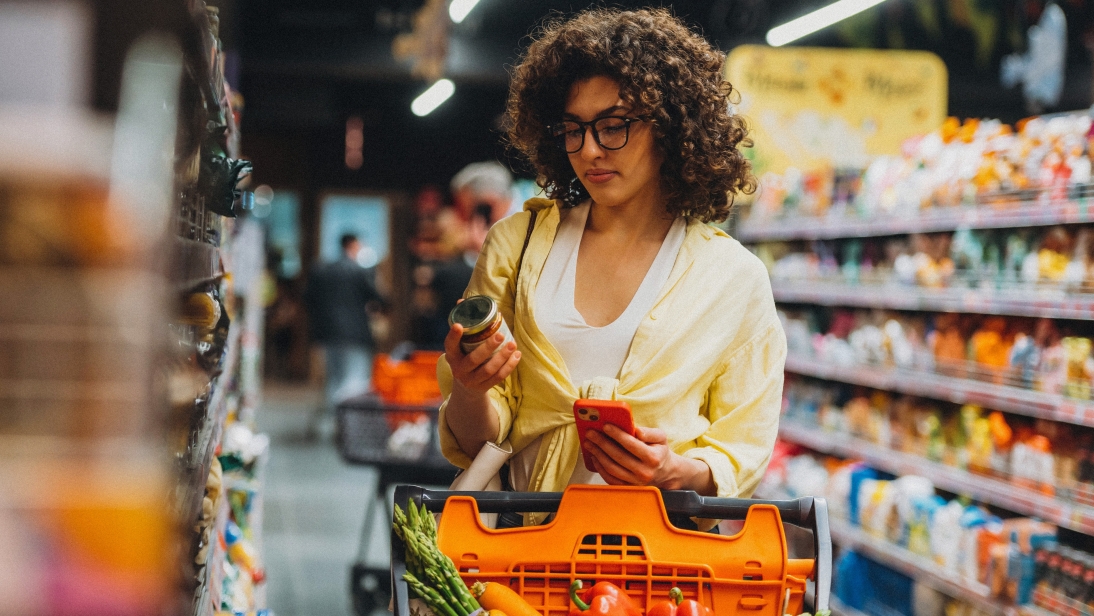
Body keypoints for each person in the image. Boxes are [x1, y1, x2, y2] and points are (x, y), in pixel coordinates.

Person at [437, 8, 784, 526]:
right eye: (572, 130)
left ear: (671, 123)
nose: (590, 150)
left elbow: (740, 451)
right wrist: (469, 387)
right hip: (520, 558)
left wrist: (674, 471)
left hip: (653, 573)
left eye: (614, 126)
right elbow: (480, 440)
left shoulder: (733, 279)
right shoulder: (517, 246)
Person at [304, 233, 384, 439]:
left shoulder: (322, 270)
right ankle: (347, 427)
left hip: (328, 333)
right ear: (353, 245)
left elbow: (307, 298)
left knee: (334, 377)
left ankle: (332, 423)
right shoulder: (360, 271)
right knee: (353, 380)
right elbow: (379, 298)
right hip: (355, 334)